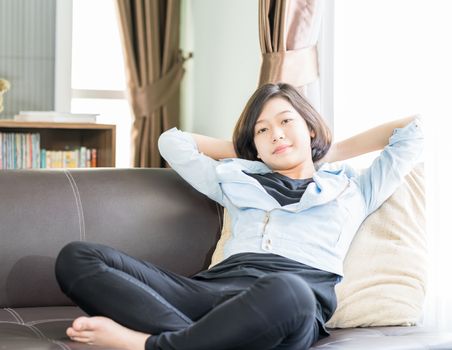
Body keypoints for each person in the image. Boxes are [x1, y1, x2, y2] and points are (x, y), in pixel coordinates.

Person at [55, 82, 423, 350]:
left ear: (310, 127)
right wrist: (257, 151)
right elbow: (172, 142)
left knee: (289, 289)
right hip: (210, 292)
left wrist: (328, 149)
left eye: (286, 122)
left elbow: (414, 130)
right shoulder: (235, 180)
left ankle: (149, 345)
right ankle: (202, 341)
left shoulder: (354, 189)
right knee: (77, 257)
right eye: (263, 130)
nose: (276, 134)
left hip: (283, 303)